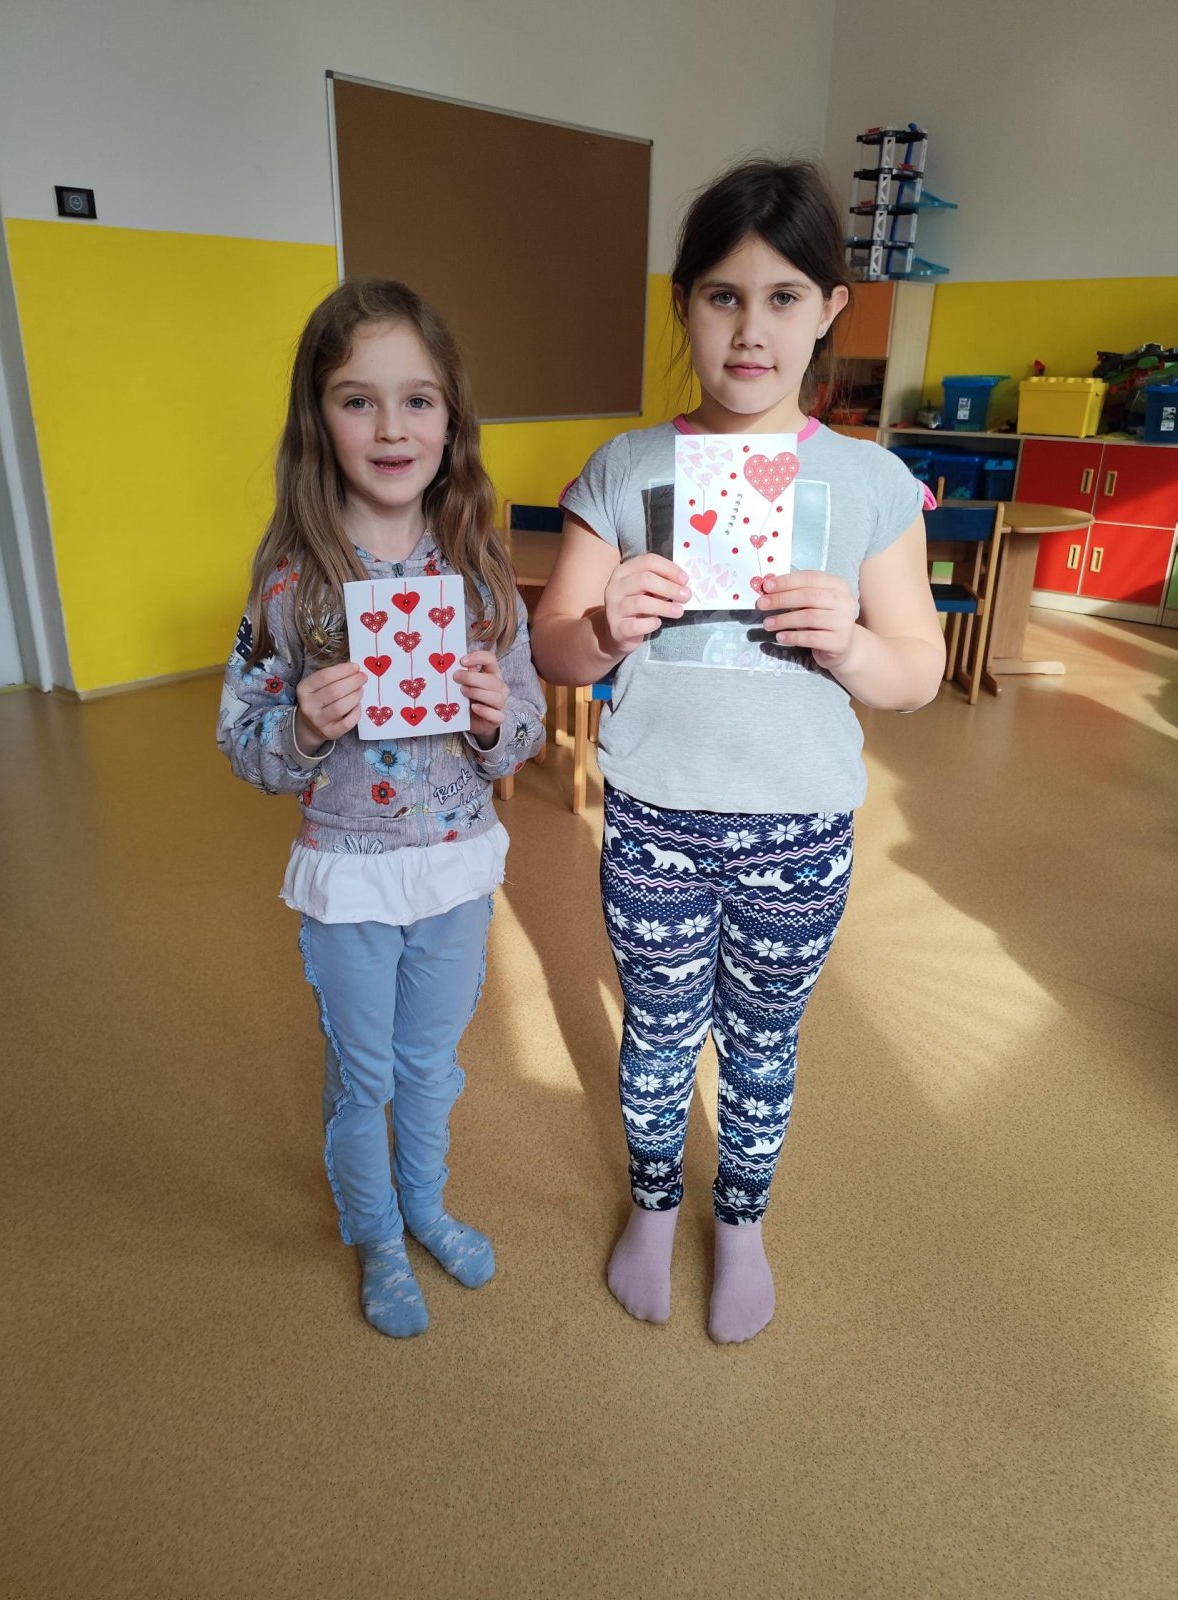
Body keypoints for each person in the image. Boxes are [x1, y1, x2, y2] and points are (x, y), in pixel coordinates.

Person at [531, 159, 944, 1344]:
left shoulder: (869, 481)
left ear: (829, 309)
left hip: (800, 829)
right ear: (684, 306)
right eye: (722, 296)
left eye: (782, 297)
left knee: (764, 1041)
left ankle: (744, 1221)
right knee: (659, 1032)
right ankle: (655, 1206)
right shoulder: (627, 467)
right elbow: (552, 645)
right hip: (655, 818)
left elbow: (917, 669)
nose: (751, 329)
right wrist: (605, 626)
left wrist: (851, 643)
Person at [218, 279, 545, 1338]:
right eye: (358, 400)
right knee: (364, 1076)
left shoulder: (482, 570)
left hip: (455, 867)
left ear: (451, 420)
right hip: (349, 874)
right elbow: (243, 742)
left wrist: (495, 723)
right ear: (319, 418)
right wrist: (305, 728)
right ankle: (376, 1234)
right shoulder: (289, 583)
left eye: (418, 400)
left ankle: (425, 1205)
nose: (392, 427)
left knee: (429, 1067)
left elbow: (529, 725)